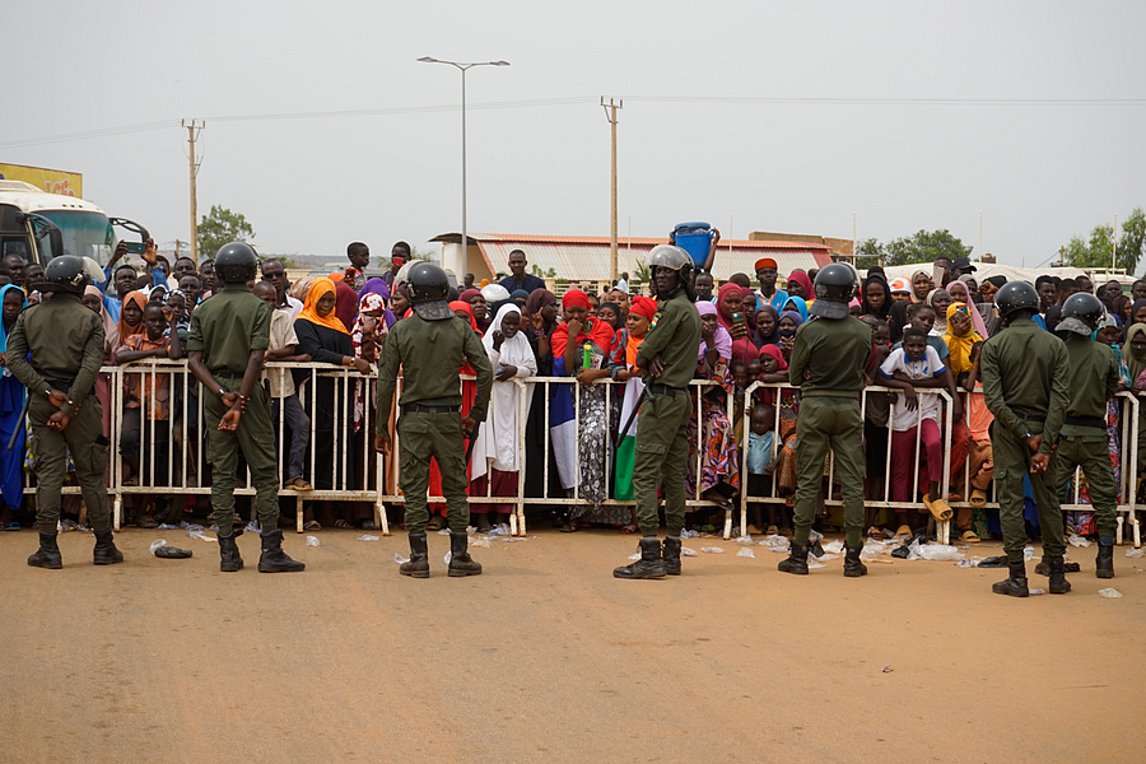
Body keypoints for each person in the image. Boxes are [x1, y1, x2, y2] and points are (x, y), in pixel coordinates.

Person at [186, 242, 305, 574]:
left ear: (219, 273)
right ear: (252, 271)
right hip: (248, 392)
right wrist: (239, 400)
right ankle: (271, 550)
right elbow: (257, 356)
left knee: (222, 474)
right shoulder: (258, 307)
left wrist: (222, 393)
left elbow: (194, 360)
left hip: (215, 393)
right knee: (265, 473)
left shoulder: (203, 309)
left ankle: (227, 551)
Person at [375, 262, 493, 578]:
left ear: (412, 292)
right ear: (444, 292)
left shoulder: (401, 330)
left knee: (414, 489)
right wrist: (476, 415)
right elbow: (485, 370)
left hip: (413, 418)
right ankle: (459, 556)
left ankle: (419, 558)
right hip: (449, 418)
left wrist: (379, 429)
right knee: (455, 488)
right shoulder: (460, 327)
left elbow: (385, 381)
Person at [6, 255, 122, 569]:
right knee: (91, 475)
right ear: (79, 282)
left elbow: (14, 359)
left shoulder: (30, 316)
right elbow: (91, 366)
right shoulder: (89, 318)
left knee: (49, 476)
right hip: (80, 404)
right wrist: (70, 405)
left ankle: (48, 549)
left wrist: (45, 390)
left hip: (44, 402)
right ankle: (103, 546)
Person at [777, 264, 872, 578]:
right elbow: (861, 369)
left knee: (808, 481)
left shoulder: (808, 330)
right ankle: (853, 558)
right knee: (853, 485)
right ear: (849, 293)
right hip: (848, 406)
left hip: (815, 405)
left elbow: (794, 376)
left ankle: (799, 554)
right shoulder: (863, 331)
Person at [612, 245, 701, 579]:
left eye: (667, 271)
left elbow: (645, 350)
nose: (661, 276)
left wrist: (649, 356)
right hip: (679, 397)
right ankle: (673, 551)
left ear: (680, 276)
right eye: (658, 271)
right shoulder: (688, 308)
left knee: (646, 475)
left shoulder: (671, 308)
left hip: (662, 399)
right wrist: (651, 356)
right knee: (674, 474)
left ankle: (650, 554)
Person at [980, 281, 1069, 597]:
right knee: (1049, 500)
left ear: (1003, 310)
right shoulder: (1055, 345)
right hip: (1046, 430)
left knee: (1011, 499)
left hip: (1009, 431)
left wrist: (1025, 435)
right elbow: (1061, 399)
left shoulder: (994, 346)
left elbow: (994, 399)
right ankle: (1057, 574)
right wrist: (1044, 443)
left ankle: (1017, 576)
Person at [1046, 293, 1119, 581]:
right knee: (1104, 496)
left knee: (1050, 494)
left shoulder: (1056, 351)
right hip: (1094, 434)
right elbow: (1111, 387)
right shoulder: (1105, 353)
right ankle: (1105, 558)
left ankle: (1053, 557)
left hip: (1062, 433)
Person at [469, 303, 537, 530]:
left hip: (513, 404)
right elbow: (485, 367)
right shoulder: (489, 339)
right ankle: (481, 514)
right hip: (491, 403)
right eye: (507, 322)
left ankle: (503, 512)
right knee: (487, 452)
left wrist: (515, 371)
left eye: (515, 323)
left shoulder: (522, 341)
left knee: (509, 455)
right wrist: (497, 348)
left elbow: (531, 367)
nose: (511, 327)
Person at [116, 301, 183, 526]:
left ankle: (144, 511)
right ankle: (136, 472)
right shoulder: (135, 340)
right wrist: (153, 352)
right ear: (144, 322)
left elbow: (175, 354)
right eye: (152, 320)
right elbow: (120, 357)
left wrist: (172, 325)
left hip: (159, 408)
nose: (156, 324)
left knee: (155, 458)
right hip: (135, 404)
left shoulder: (168, 341)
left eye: (160, 321)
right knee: (127, 439)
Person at [252, 282, 312, 493]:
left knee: (302, 424)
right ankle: (268, 477)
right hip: (260, 387)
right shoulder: (248, 319)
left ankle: (294, 474)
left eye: (272, 299)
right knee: (266, 434)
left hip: (284, 386)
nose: (270, 303)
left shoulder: (282, 317)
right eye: (265, 299)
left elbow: (290, 346)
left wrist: (269, 354)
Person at [0, 285, 28, 530]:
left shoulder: (27, 329)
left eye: (15, 305)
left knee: (15, 449)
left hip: (15, 396)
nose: (10, 309)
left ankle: (11, 509)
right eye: (6, 304)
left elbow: (35, 356)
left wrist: (14, 360)